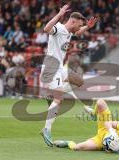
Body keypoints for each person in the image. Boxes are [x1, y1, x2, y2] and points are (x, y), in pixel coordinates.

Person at [40, 4, 97, 147]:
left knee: (79, 81)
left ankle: (87, 109)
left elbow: (78, 33)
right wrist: (59, 14)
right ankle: (46, 129)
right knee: (58, 100)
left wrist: (88, 27)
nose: (80, 27)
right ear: (73, 21)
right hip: (50, 67)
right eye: (79, 24)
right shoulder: (58, 28)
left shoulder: (70, 32)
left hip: (59, 67)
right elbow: (46, 29)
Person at [54, 99, 119, 153]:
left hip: (100, 141)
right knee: (100, 102)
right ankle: (94, 114)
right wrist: (111, 131)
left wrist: (109, 148)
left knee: (77, 148)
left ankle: (67, 143)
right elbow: (108, 123)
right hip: (105, 128)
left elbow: (110, 151)